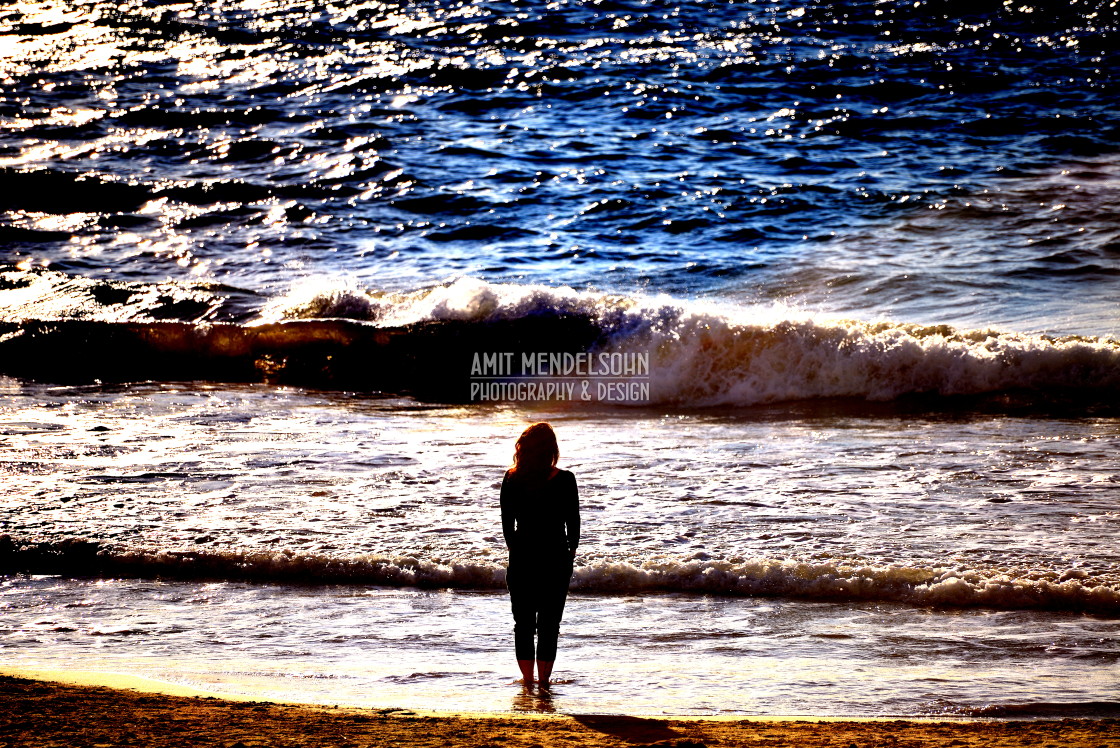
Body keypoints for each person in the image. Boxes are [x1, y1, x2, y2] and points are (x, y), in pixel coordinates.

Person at [500, 422, 580, 690]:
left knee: (522, 623)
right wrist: (570, 552)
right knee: (549, 623)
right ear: (552, 450)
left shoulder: (511, 478)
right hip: (555, 555)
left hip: (522, 555)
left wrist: (518, 549)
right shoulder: (565, 479)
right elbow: (574, 523)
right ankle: (544, 682)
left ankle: (527, 681)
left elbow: (507, 525)